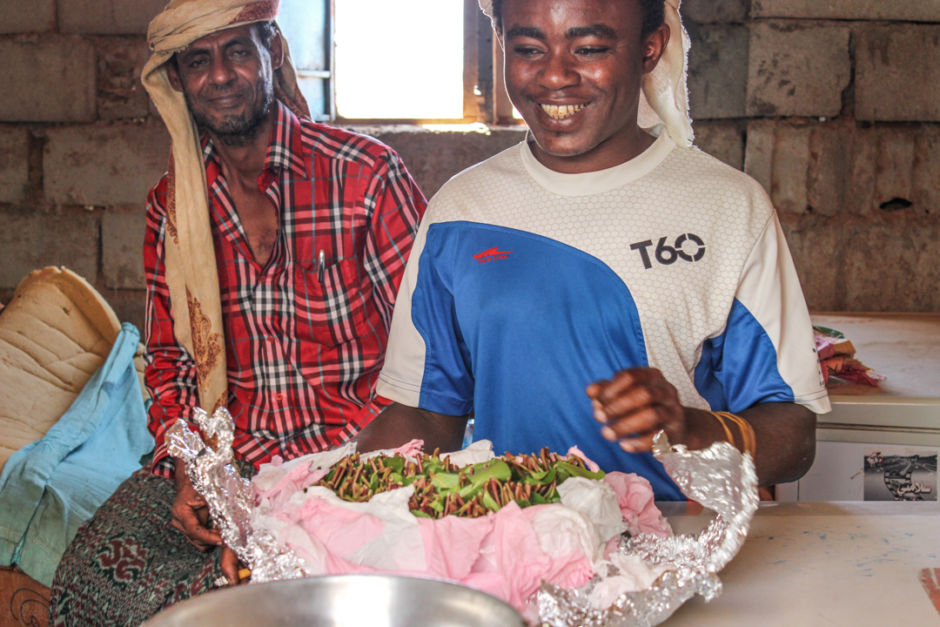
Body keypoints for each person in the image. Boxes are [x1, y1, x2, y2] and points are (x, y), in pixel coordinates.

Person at [355, 0, 830, 500]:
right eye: (528, 49)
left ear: (650, 49)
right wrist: (335, 487)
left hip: (675, 537)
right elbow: (428, 413)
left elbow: (794, 438)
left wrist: (691, 430)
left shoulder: (728, 208)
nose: (554, 76)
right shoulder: (461, 211)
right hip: (515, 537)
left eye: (589, 48)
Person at [49, 0, 425, 623]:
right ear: (178, 79)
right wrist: (191, 470)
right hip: (230, 459)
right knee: (88, 580)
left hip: (352, 457)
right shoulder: (173, 206)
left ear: (272, 51)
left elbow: (429, 351)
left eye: (238, 51)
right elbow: (170, 362)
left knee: (233, 600)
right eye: (199, 61)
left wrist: (324, 493)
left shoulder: (365, 177)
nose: (220, 76)